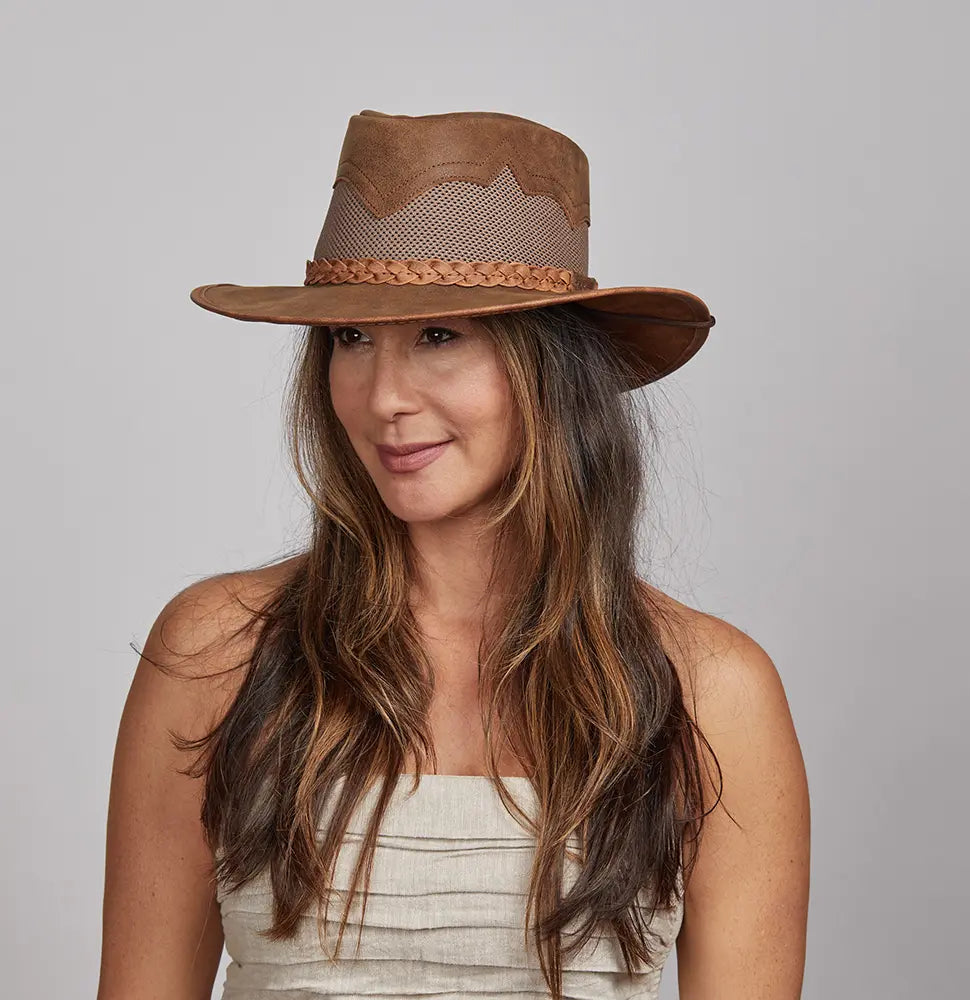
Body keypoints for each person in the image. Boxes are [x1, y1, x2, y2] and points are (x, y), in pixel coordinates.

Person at [97, 109, 810, 1000]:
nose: (384, 395)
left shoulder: (712, 687)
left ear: (550, 371)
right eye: (352, 339)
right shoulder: (218, 648)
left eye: (440, 336)